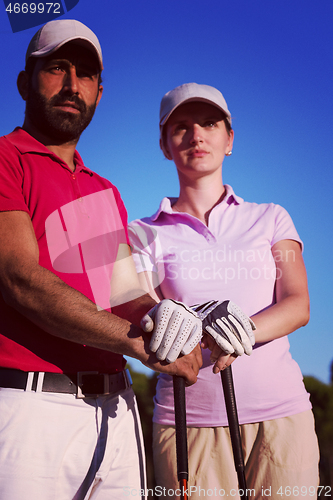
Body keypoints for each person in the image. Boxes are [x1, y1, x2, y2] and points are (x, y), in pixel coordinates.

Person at [0, 24, 203, 500]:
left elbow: (124, 291)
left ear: (99, 92)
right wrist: (143, 342)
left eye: (86, 75)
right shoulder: (6, 159)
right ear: (24, 82)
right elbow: (19, 278)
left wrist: (163, 318)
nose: (73, 85)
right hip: (30, 410)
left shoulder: (103, 189)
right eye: (57, 68)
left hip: (116, 410)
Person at [129, 83, 320, 499]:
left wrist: (244, 328)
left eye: (210, 124)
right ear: (164, 145)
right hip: (186, 425)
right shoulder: (140, 233)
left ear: (229, 139)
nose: (196, 135)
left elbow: (298, 303)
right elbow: (137, 311)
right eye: (181, 127)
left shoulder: (271, 217)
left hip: (282, 419)